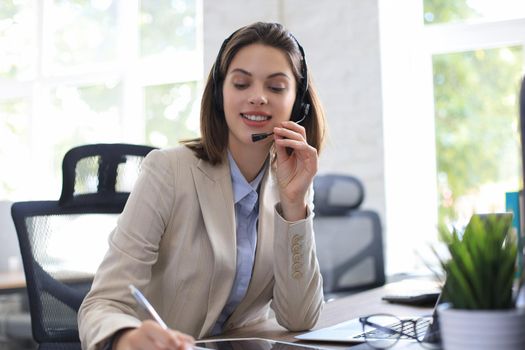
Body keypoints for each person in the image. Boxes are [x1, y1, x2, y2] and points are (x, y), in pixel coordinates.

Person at [78, 21, 326, 350]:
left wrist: (295, 205)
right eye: (241, 83)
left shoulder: (289, 183)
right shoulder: (168, 170)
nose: (257, 97)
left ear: (298, 104)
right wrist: (125, 338)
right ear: (220, 94)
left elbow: (300, 318)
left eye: (277, 87)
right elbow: (101, 304)